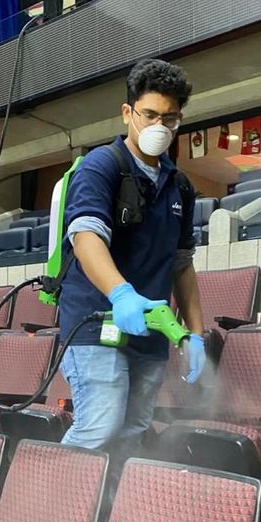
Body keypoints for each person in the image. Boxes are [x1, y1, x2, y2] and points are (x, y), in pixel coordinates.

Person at [59, 57, 205, 457]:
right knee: (99, 427)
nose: (160, 127)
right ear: (128, 113)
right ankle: (49, 512)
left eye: (170, 119)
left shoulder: (181, 187)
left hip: (151, 333)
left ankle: (105, 514)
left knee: (132, 433)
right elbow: (87, 237)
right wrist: (121, 294)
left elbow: (182, 263)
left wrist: (195, 332)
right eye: (150, 114)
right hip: (96, 324)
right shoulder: (101, 167)